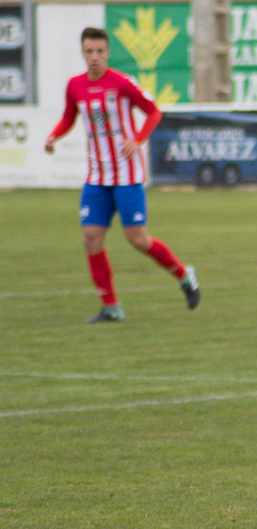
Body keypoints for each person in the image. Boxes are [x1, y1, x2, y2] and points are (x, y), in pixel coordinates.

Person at [44, 27, 199, 323]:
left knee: (138, 240)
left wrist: (137, 140)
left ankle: (183, 274)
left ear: (108, 52)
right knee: (91, 238)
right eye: (89, 51)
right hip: (96, 177)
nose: (94, 57)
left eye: (100, 51)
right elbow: (68, 116)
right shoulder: (75, 86)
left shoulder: (122, 83)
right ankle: (111, 306)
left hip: (127, 175)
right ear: (83, 53)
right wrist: (53, 136)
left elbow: (153, 112)